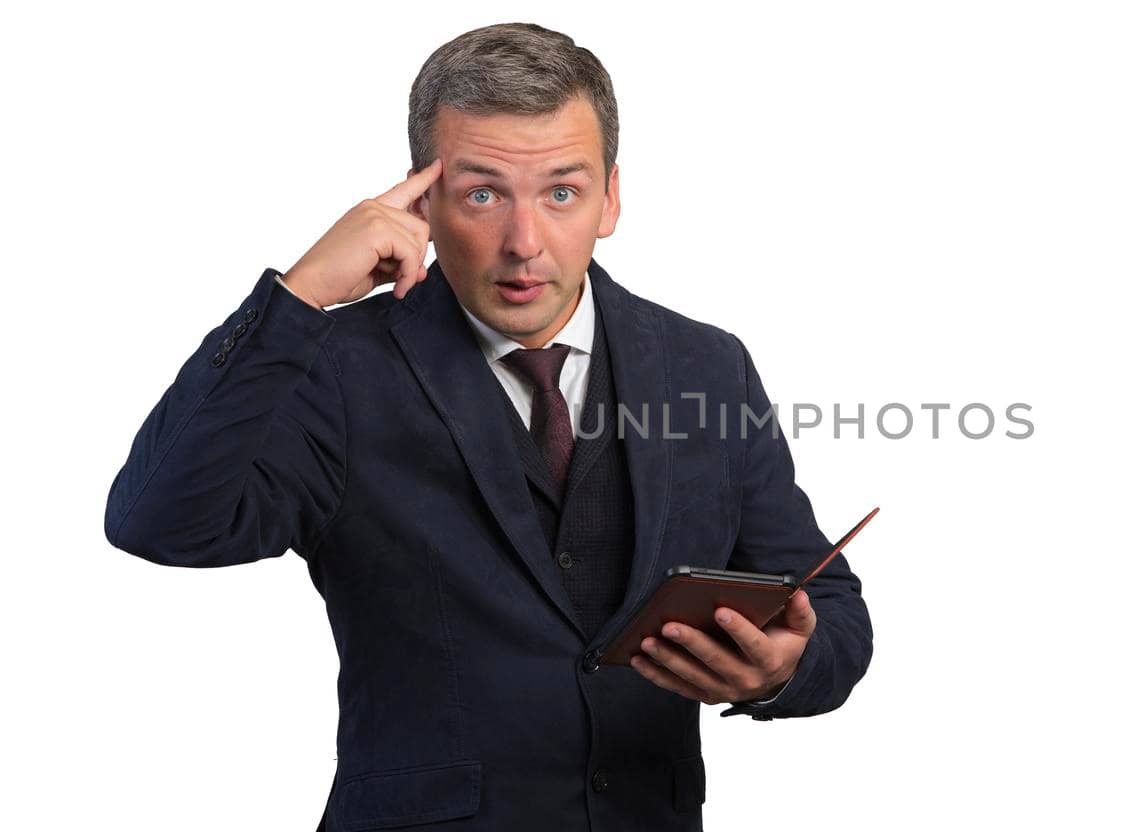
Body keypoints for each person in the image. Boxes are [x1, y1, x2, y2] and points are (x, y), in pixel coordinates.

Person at [103, 22, 872, 831]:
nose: (524, 243)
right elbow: (159, 522)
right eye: (482, 193)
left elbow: (828, 606)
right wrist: (293, 301)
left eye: (562, 193)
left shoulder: (707, 365)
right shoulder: (332, 367)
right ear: (420, 199)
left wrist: (781, 671)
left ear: (611, 198)